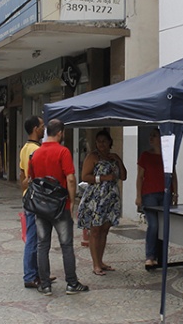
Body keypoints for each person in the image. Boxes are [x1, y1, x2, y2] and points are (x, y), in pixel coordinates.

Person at [29, 119, 88, 296]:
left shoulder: (36, 154)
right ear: (60, 133)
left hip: (41, 206)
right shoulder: (63, 151)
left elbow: (32, 179)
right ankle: (71, 283)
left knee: (42, 245)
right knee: (66, 245)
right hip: (60, 206)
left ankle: (45, 284)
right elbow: (70, 178)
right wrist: (71, 202)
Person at [77, 129, 127, 276]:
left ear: (110, 142)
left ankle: (101, 260)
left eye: (104, 141)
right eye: (98, 141)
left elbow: (123, 176)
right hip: (96, 198)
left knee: (105, 229)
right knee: (95, 230)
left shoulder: (113, 157)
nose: (101, 144)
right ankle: (95, 264)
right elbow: (85, 176)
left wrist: (118, 160)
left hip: (110, 198)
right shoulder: (92, 157)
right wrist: (103, 178)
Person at [136, 128, 177, 267]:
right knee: (153, 225)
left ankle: (161, 255)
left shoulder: (167, 155)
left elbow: (173, 175)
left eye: (154, 135)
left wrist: (175, 192)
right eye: (150, 135)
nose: (151, 138)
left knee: (163, 226)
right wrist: (138, 196)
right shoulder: (145, 156)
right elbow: (140, 177)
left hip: (165, 194)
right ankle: (150, 255)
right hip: (149, 194)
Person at [19, 116, 45, 289]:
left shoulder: (24, 148)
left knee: (34, 237)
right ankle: (30, 275)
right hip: (36, 198)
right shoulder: (36, 150)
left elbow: (22, 177)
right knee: (34, 238)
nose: (44, 128)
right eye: (42, 125)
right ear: (36, 128)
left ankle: (36, 273)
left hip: (28, 196)